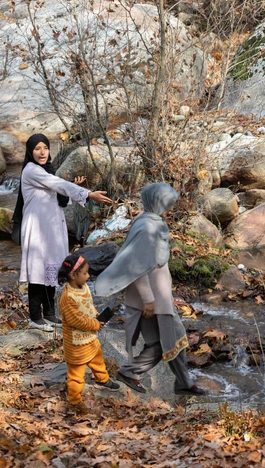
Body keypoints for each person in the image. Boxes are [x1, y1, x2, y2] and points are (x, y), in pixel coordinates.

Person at [94, 182, 207, 396]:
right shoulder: (147, 227)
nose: (170, 207)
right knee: (174, 338)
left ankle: (180, 381)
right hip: (153, 299)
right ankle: (139, 374)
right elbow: (137, 265)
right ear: (157, 202)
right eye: (168, 203)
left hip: (157, 296)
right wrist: (148, 299)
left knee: (161, 342)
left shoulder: (150, 220)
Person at [12, 133, 112, 332]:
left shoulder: (46, 170)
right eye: (37, 148)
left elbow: (60, 195)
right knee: (38, 271)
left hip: (52, 228)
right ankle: (35, 317)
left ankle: (49, 315)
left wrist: (73, 185)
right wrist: (88, 193)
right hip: (37, 228)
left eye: (45, 148)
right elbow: (59, 185)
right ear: (30, 152)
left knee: (52, 269)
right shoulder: (32, 170)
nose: (42, 152)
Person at [58, 254, 120, 415]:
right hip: (76, 343)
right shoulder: (67, 298)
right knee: (76, 375)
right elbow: (75, 321)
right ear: (73, 275)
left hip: (89, 338)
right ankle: (74, 400)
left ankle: (103, 379)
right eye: (85, 273)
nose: (88, 276)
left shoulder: (83, 287)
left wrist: (97, 316)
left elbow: (88, 306)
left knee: (98, 360)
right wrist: (94, 324)